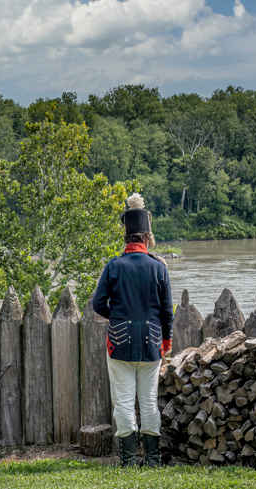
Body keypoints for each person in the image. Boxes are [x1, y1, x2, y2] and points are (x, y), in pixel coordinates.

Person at [92, 193, 173, 468]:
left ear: (126, 238)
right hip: (152, 343)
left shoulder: (113, 266)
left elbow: (97, 304)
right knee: (149, 401)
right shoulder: (159, 267)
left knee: (123, 402)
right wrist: (167, 340)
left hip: (119, 343)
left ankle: (127, 460)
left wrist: (116, 317)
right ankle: (151, 460)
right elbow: (166, 311)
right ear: (147, 238)